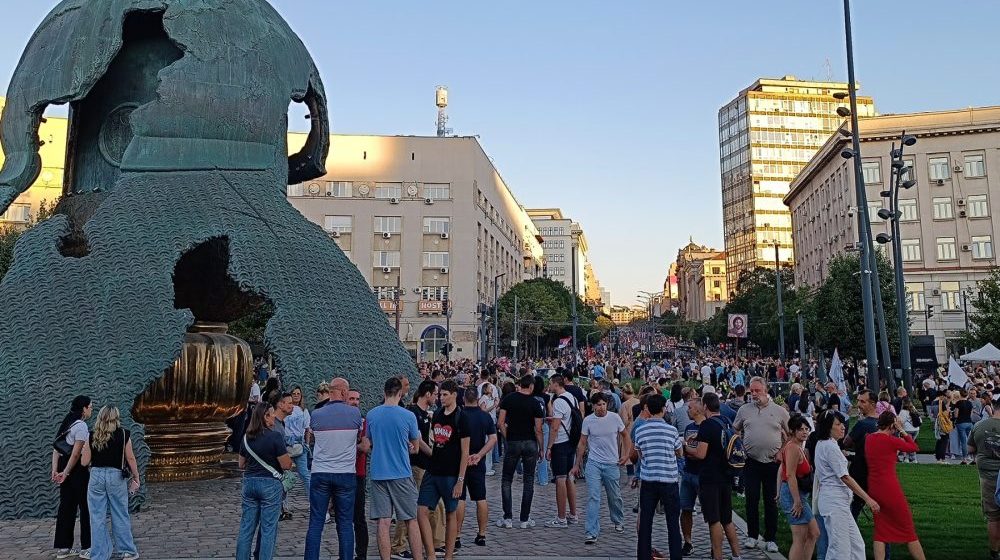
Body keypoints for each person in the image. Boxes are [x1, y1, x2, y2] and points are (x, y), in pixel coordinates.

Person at [366, 377, 425, 560]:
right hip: (401, 472)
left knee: (383, 522)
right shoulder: (408, 416)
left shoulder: (372, 414)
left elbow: (370, 443)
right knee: (411, 520)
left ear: (384, 393)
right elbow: (415, 448)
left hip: (378, 473)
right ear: (400, 394)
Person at [305, 377, 364, 560]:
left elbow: (313, 436)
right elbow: (359, 439)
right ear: (344, 392)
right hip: (345, 473)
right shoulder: (355, 414)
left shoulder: (316, 414)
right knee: (345, 523)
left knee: (316, 522)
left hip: (321, 472)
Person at [814, 410, 880, 560]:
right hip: (834, 503)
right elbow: (845, 477)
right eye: (838, 424)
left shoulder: (828, 444)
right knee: (840, 550)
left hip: (840, 503)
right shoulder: (829, 447)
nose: (843, 427)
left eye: (842, 423)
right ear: (827, 427)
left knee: (857, 546)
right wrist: (868, 499)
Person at [733, 376, 788, 553]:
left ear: (766, 390)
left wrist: (782, 451)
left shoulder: (779, 411)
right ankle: (752, 535)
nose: (754, 394)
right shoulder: (744, 410)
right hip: (751, 462)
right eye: (752, 391)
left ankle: (770, 538)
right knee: (751, 499)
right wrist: (740, 447)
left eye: (757, 390)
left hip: (772, 463)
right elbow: (735, 430)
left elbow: (792, 434)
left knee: (771, 501)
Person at [417, 380, 469, 560]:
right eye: (440, 394)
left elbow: (465, 452)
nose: (441, 398)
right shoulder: (438, 414)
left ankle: (448, 556)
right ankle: (431, 554)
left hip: (450, 473)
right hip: (433, 469)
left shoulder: (461, 417)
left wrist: (460, 480)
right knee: (421, 510)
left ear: (454, 394)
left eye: (445, 394)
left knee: (450, 513)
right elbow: (434, 440)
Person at [80, 406, 140, 560]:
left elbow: (84, 461)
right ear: (116, 417)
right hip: (116, 476)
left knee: (97, 516)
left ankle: (100, 554)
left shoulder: (92, 435)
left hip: (96, 475)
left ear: (100, 417)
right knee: (119, 513)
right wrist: (136, 477)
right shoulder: (124, 434)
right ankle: (127, 551)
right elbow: (131, 458)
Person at [392, 381, 444, 559]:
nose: (437, 397)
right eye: (436, 394)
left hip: (424, 465)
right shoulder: (413, 413)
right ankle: (399, 545)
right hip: (416, 465)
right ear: (427, 394)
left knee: (432, 505)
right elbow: (418, 441)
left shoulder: (423, 414)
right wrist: (434, 455)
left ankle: (433, 542)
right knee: (411, 506)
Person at [236, 402, 293, 560]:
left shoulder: (246, 437)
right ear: (265, 417)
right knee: (268, 529)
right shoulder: (274, 436)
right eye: (271, 413)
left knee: (246, 528)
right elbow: (286, 464)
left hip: (250, 482)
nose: (274, 416)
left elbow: (241, 464)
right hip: (270, 484)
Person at [688, 393, 742, 560]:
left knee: (714, 519)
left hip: (710, 477)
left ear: (705, 407)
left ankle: (718, 556)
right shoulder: (725, 421)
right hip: (726, 474)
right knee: (727, 519)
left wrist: (684, 447)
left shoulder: (707, 425)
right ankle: (736, 554)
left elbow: (701, 453)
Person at [866, 411, 925, 560]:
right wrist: (902, 430)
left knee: (880, 530)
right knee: (908, 528)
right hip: (889, 487)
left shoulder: (869, 438)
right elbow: (914, 447)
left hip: (873, 486)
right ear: (893, 425)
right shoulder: (891, 441)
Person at [571, 392, 627, 544]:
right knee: (593, 496)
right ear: (593, 406)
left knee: (614, 495)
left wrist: (626, 454)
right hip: (594, 463)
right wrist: (577, 464)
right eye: (598, 405)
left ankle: (618, 520)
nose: (601, 408)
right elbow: (582, 442)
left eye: (603, 404)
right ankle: (591, 531)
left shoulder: (615, 418)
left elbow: (625, 435)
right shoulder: (588, 420)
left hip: (611, 462)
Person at [633, 394, 683, 560]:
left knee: (646, 522)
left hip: (648, 480)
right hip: (669, 480)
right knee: (673, 523)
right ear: (663, 409)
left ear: (648, 409)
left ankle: (643, 556)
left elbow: (640, 454)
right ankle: (676, 555)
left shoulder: (640, 430)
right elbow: (679, 453)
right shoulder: (671, 430)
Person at [52, 395, 93, 559]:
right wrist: (67, 472)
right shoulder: (81, 426)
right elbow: (76, 454)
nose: (91, 409)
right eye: (90, 406)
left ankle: (63, 547)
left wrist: (55, 470)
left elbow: (56, 448)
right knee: (85, 507)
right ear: (83, 408)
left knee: (66, 506)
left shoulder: (67, 423)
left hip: (63, 466)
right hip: (76, 470)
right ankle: (87, 546)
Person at [458, 388, 497, 547]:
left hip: (460, 461)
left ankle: (457, 535)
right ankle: (481, 534)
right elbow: (493, 439)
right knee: (481, 498)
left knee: (459, 498)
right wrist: (480, 455)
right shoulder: (484, 416)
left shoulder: (459, 415)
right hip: (477, 461)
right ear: (478, 398)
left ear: (463, 399)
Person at [777, 414, 818, 560]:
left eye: (807, 429)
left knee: (813, 533)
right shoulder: (793, 448)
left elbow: (781, 469)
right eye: (801, 429)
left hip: (797, 494)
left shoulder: (797, 446)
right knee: (800, 538)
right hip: (793, 495)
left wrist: (778, 492)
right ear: (793, 431)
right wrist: (797, 501)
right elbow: (790, 475)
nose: (805, 432)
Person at [545, 374, 579, 527]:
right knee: (568, 478)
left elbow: (555, 426)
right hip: (571, 441)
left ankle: (561, 518)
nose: (549, 386)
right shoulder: (572, 397)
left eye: (550, 383)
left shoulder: (558, 401)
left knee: (560, 479)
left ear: (555, 384)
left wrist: (549, 447)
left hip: (560, 442)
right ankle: (573, 514)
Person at [969, 395, 1000, 560]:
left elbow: (969, 448)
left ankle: (994, 552)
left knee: (993, 516)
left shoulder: (979, 425)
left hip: (987, 477)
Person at [844, 389, 878, 519]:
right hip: (877, 471)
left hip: (860, 470)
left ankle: (848, 531)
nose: (858, 404)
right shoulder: (883, 424)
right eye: (858, 400)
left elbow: (847, 441)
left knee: (854, 505)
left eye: (862, 402)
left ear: (873, 404)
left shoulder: (862, 424)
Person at [678, 397, 704, 556]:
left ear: (698, 409)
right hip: (688, 472)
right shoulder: (689, 427)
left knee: (710, 511)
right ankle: (687, 541)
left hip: (702, 474)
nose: (687, 410)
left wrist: (687, 448)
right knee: (685, 508)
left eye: (690, 408)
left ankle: (714, 544)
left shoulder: (707, 427)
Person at [348, 389, 369, 560]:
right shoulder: (341, 421)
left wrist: (346, 448)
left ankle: (361, 554)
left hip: (358, 472)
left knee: (359, 517)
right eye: (352, 399)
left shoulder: (364, 422)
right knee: (343, 517)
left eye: (357, 399)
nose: (355, 402)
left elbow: (365, 447)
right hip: (342, 473)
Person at [955, 389, 976, 464]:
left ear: (960, 395)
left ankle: (964, 459)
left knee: (963, 442)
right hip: (969, 422)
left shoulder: (958, 403)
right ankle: (974, 458)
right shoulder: (970, 403)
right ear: (967, 395)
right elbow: (971, 414)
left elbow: (956, 415)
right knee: (971, 441)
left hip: (961, 422)